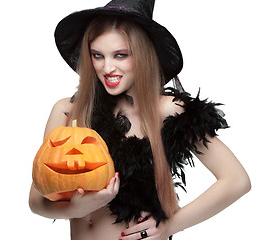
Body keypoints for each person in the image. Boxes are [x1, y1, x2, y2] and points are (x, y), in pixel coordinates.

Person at [29, 0, 251, 239]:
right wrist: (75, 209)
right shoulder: (67, 111)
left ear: (143, 54)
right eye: (98, 55)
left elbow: (236, 180)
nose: (108, 67)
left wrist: (170, 225)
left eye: (121, 55)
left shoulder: (167, 111)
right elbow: (36, 200)